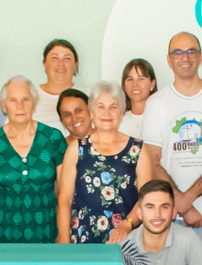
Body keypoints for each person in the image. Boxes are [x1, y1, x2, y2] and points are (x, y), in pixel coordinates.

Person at [141, 32, 202, 265]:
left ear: (200, 57)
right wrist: (180, 204)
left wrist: (186, 201)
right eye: (178, 52)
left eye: (192, 51)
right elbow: (152, 160)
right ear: (169, 59)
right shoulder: (156, 102)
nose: (185, 57)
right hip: (165, 213)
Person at [0, 75, 67, 244]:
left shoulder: (53, 139)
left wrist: (63, 238)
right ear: (4, 106)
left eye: (26, 99)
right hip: (2, 238)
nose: (20, 106)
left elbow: (64, 195)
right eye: (13, 100)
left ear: (34, 103)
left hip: (47, 236)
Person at [58, 82, 148, 244]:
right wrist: (64, 243)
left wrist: (127, 224)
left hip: (126, 239)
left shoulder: (138, 149)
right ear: (91, 112)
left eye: (113, 107)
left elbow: (146, 197)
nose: (107, 113)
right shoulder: (76, 149)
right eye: (100, 107)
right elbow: (65, 200)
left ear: (121, 113)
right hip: (83, 239)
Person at [36, 38, 80, 129]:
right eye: (54, 58)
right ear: (45, 64)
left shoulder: (91, 96)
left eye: (67, 58)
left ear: (75, 65)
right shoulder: (29, 97)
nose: (61, 63)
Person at [120, 57, 157, 139]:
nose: (135, 84)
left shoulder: (161, 117)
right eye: (130, 79)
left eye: (141, 79)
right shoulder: (118, 120)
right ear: (124, 86)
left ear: (152, 84)